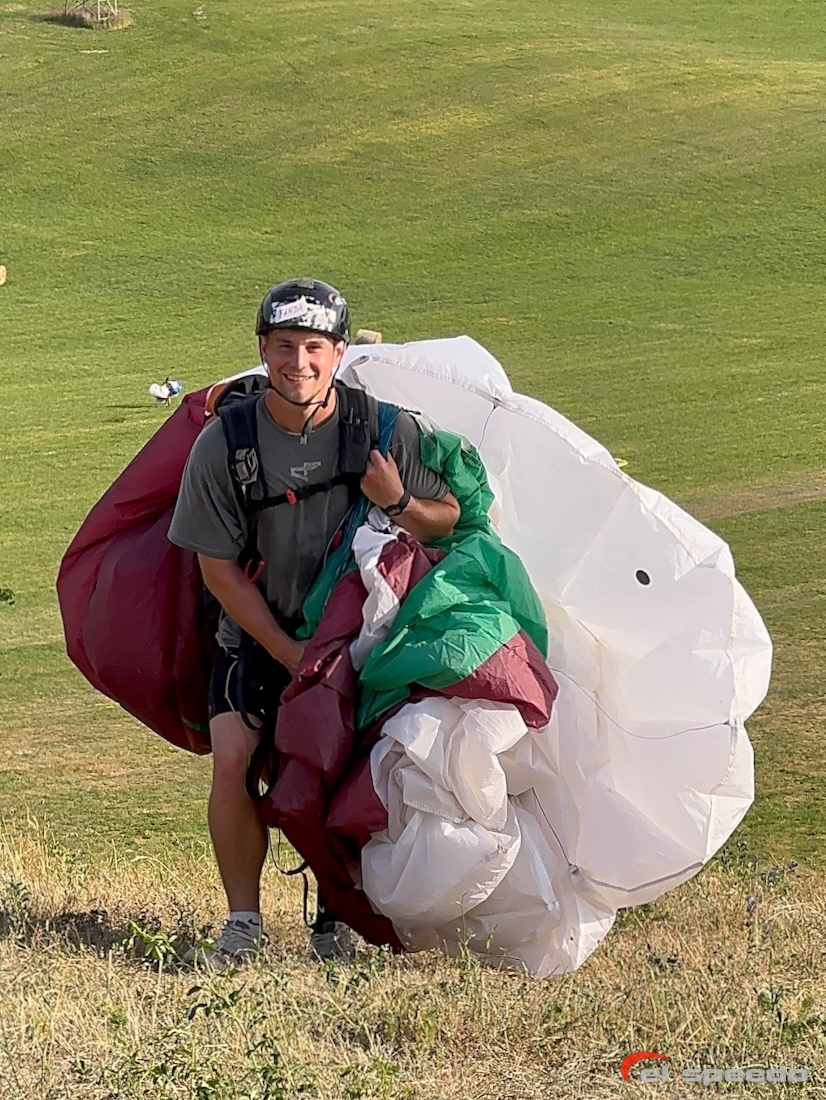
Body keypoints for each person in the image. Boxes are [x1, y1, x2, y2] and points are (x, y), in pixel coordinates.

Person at [168, 277, 460, 968]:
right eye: (284, 347)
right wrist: (288, 650)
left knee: (347, 777)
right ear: (262, 351)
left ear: (341, 352)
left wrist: (399, 502)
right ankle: (242, 925)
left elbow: (446, 515)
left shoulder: (386, 428)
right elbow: (218, 570)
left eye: (314, 348)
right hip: (254, 633)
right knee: (235, 765)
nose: (298, 363)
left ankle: (337, 919)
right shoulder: (224, 444)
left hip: (359, 641)